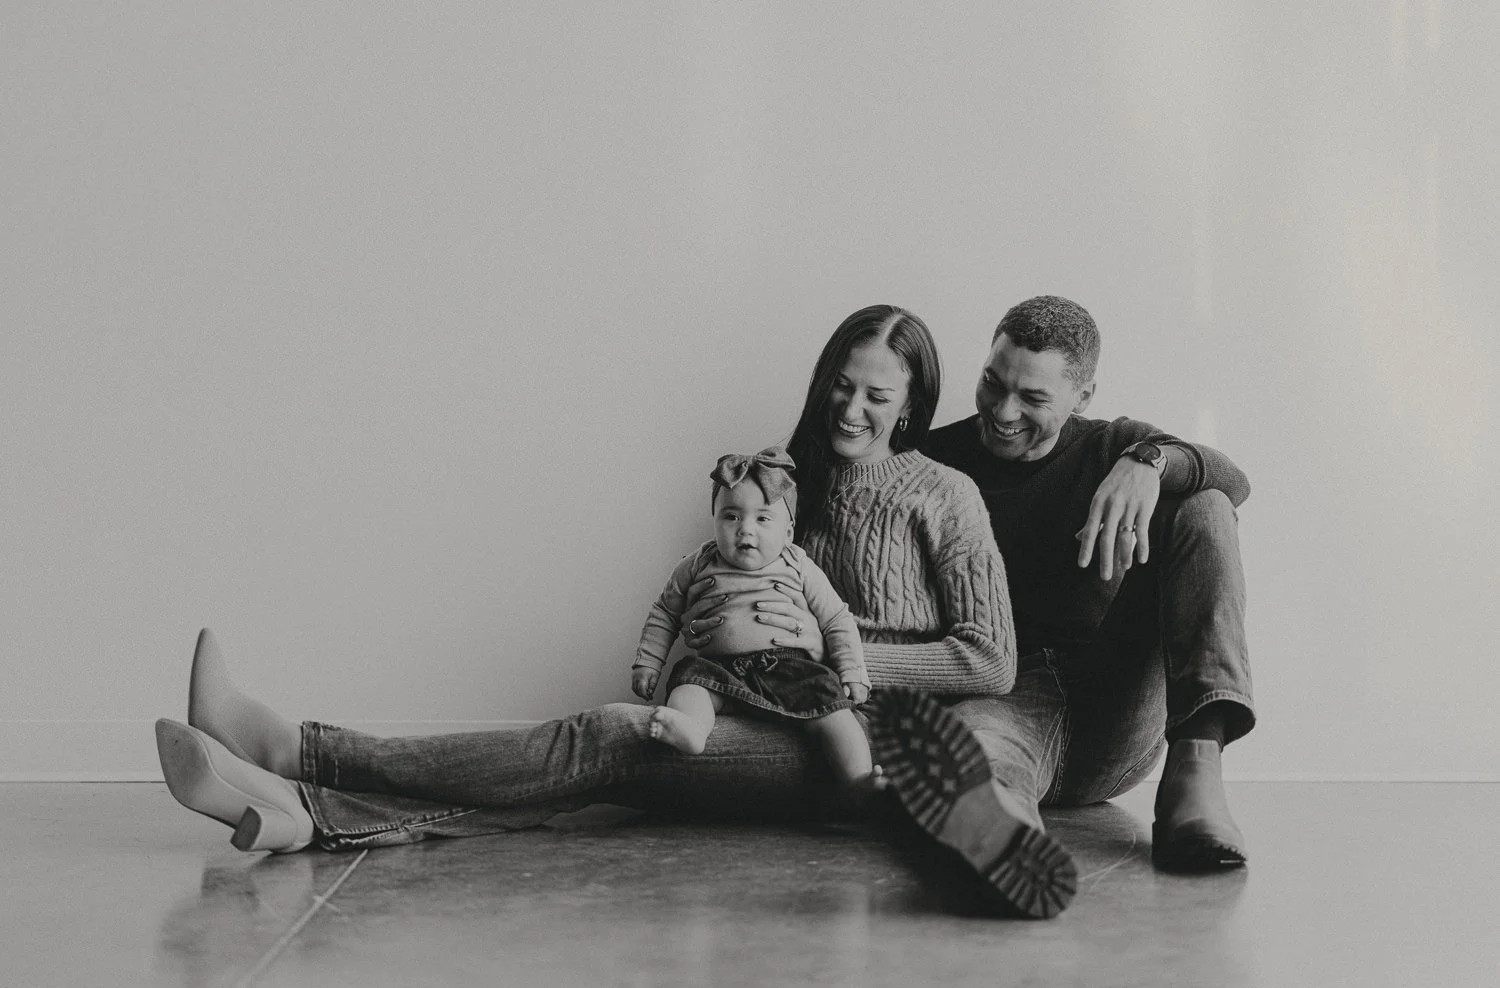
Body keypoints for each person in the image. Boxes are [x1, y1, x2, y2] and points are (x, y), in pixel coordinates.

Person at [156, 304, 1080, 918]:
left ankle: (301, 752)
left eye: (877, 394)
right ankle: (301, 808)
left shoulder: (946, 493)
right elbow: (710, 593)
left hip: (858, 744)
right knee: (596, 763)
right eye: (841, 384)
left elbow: (989, 658)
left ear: (911, 405)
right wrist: (695, 657)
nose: (852, 408)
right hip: (756, 709)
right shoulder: (778, 484)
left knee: (603, 742)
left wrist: (842, 661)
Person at [907, 294, 1255, 874]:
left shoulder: (1112, 446)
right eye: (993, 383)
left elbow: (1234, 480)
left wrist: (1149, 462)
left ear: (1083, 396)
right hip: (1001, 701)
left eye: (1033, 398)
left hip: (1113, 710)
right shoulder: (932, 461)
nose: (1004, 411)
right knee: (971, 759)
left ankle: (1196, 771)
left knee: (1206, 505)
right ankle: (1006, 854)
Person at [633, 446, 875, 791]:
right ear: (714, 520)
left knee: (835, 711)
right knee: (689, 683)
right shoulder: (698, 563)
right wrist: (648, 663)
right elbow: (665, 612)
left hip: (790, 669)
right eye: (731, 516)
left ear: (788, 532)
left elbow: (837, 619)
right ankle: (692, 730)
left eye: (763, 519)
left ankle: (859, 780)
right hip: (719, 671)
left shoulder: (798, 564)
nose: (745, 530)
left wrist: (852, 671)